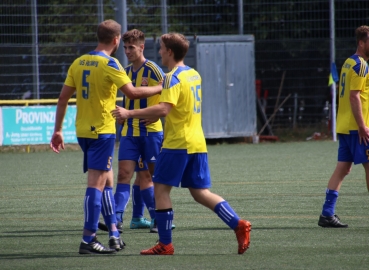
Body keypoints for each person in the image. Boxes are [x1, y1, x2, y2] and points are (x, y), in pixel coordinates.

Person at [111, 32, 252, 255]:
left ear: (169, 52)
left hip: (177, 144)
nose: (158, 52)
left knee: (160, 188)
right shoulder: (194, 74)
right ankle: (238, 224)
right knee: (200, 193)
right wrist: (156, 114)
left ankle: (165, 243)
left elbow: (164, 108)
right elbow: (177, 106)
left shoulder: (170, 77)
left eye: (161, 48)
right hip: (197, 143)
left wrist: (130, 113)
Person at [50, 20, 162, 255]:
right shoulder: (111, 64)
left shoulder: (79, 62)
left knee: (109, 182)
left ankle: (113, 232)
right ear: (116, 40)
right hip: (102, 131)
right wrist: (159, 88)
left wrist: (58, 130)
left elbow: (62, 99)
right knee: (96, 184)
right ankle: (88, 239)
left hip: (82, 131)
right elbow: (131, 91)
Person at [98, 29, 172, 234]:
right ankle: (117, 219)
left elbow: (170, 89)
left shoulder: (154, 70)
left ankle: (159, 217)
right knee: (123, 174)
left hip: (151, 132)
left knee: (153, 177)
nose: (127, 51)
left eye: (132, 47)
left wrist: (158, 114)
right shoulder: (125, 71)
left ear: (142, 47)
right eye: (125, 47)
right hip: (129, 132)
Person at [318, 25, 369, 228]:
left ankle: (327, 214)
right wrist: (362, 126)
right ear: (361, 42)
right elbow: (354, 96)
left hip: (345, 125)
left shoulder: (349, 62)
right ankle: (327, 214)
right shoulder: (361, 65)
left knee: (342, 169)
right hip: (357, 128)